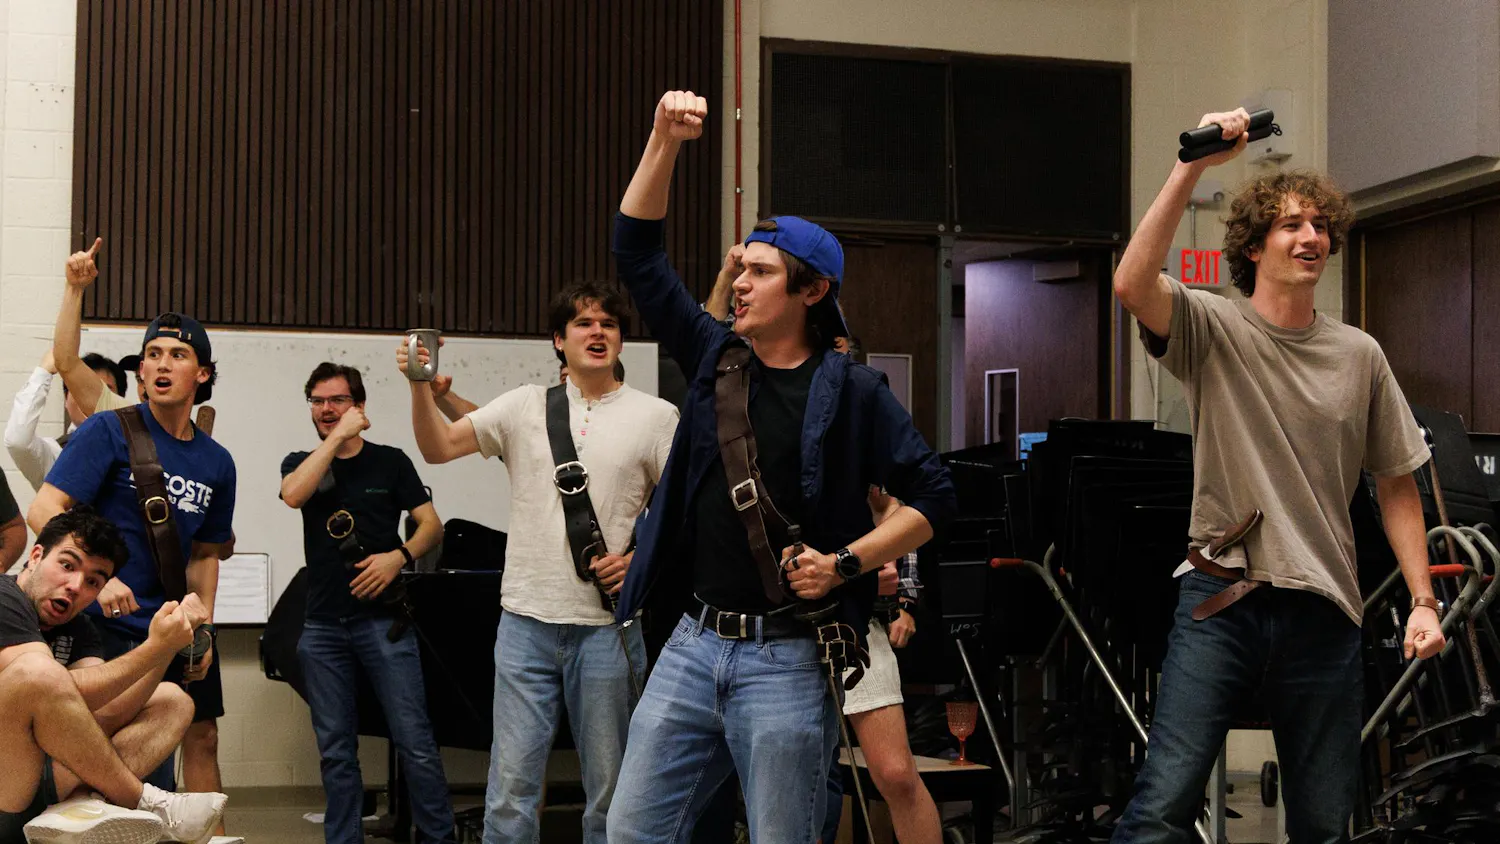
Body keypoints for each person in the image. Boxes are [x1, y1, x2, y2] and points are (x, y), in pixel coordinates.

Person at [605, 90, 955, 843]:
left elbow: (935, 494)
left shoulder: (857, 392)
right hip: (693, 645)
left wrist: (846, 563)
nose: (740, 281)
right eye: (743, 268)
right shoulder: (714, 360)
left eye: (761, 272)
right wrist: (663, 139)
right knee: (631, 830)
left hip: (790, 661)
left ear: (812, 291)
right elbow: (635, 252)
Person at [1109, 107, 1445, 842]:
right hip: (1220, 599)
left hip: (1324, 609)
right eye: (1292, 225)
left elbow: (1394, 483)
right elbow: (1134, 284)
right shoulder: (1214, 327)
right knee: (1161, 810)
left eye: (1320, 225)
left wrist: (1423, 600)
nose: (1312, 236)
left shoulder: (1360, 355)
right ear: (1254, 247)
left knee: (1324, 825)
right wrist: (1191, 163)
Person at [400, 282, 678, 844]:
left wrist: (640, 559)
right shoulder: (525, 405)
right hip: (524, 623)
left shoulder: (658, 416)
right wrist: (418, 387)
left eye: (608, 324)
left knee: (612, 791)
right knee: (509, 791)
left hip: (608, 629)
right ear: (559, 340)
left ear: (622, 339)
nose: (597, 332)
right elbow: (438, 448)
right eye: (582, 323)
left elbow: (683, 516)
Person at [29, 301, 237, 816]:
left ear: (202, 373)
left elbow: (206, 555)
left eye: (178, 355)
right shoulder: (108, 431)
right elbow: (44, 510)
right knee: (103, 766)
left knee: (169, 757)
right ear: (140, 371)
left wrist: (202, 624)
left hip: (172, 631)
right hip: (106, 631)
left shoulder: (217, 462)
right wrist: (102, 579)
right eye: (153, 355)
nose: (163, 365)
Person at [280, 362, 454, 844]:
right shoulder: (302, 460)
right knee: (336, 750)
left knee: (415, 743)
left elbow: (431, 526)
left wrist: (397, 558)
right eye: (317, 401)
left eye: (337, 400)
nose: (326, 409)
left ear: (358, 405)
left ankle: (439, 838)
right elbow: (293, 495)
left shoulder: (391, 461)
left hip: (384, 624)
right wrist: (335, 441)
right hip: (322, 629)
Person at [0, 506, 227, 844]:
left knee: (174, 700)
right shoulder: (5, 597)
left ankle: (80, 807)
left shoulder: (79, 627)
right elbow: (52, 685)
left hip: (35, 785)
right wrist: (153, 648)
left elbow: (102, 710)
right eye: (67, 565)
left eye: (93, 581)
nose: (75, 586)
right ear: (35, 556)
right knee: (37, 671)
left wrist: (165, 648)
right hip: (6, 786)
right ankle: (143, 800)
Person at [819, 487, 939, 844]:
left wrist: (893, 583)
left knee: (896, 773)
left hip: (858, 622)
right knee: (802, 779)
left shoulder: (859, 445)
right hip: (790, 624)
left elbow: (894, 509)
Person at [6, 348, 126, 491]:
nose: (91, 398)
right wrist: (44, 371)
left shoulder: (137, 446)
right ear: (66, 398)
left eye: (104, 390)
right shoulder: (57, 455)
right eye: (81, 388)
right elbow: (18, 441)